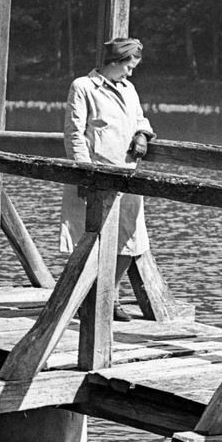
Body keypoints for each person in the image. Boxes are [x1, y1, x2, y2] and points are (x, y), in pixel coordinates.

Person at [62, 37, 155, 318]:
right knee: (88, 239)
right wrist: (84, 173)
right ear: (113, 63)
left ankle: (109, 298)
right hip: (95, 176)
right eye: (128, 67)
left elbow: (141, 118)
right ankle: (83, 300)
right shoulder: (83, 87)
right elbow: (74, 133)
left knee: (130, 239)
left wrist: (142, 135)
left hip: (127, 176)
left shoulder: (129, 90)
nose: (130, 73)